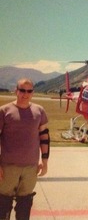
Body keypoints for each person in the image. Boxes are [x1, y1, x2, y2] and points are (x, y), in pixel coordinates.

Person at [0, 78, 50, 220]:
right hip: (8, 166)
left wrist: (44, 161)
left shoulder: (39, 111)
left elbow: (44, 136)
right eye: (22, 90)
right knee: (3, 203)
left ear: (32, 93)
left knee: (25, 203)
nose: (25, 94)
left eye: (29, 91)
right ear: (16, 91)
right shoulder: (4, 111)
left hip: (30, 167)